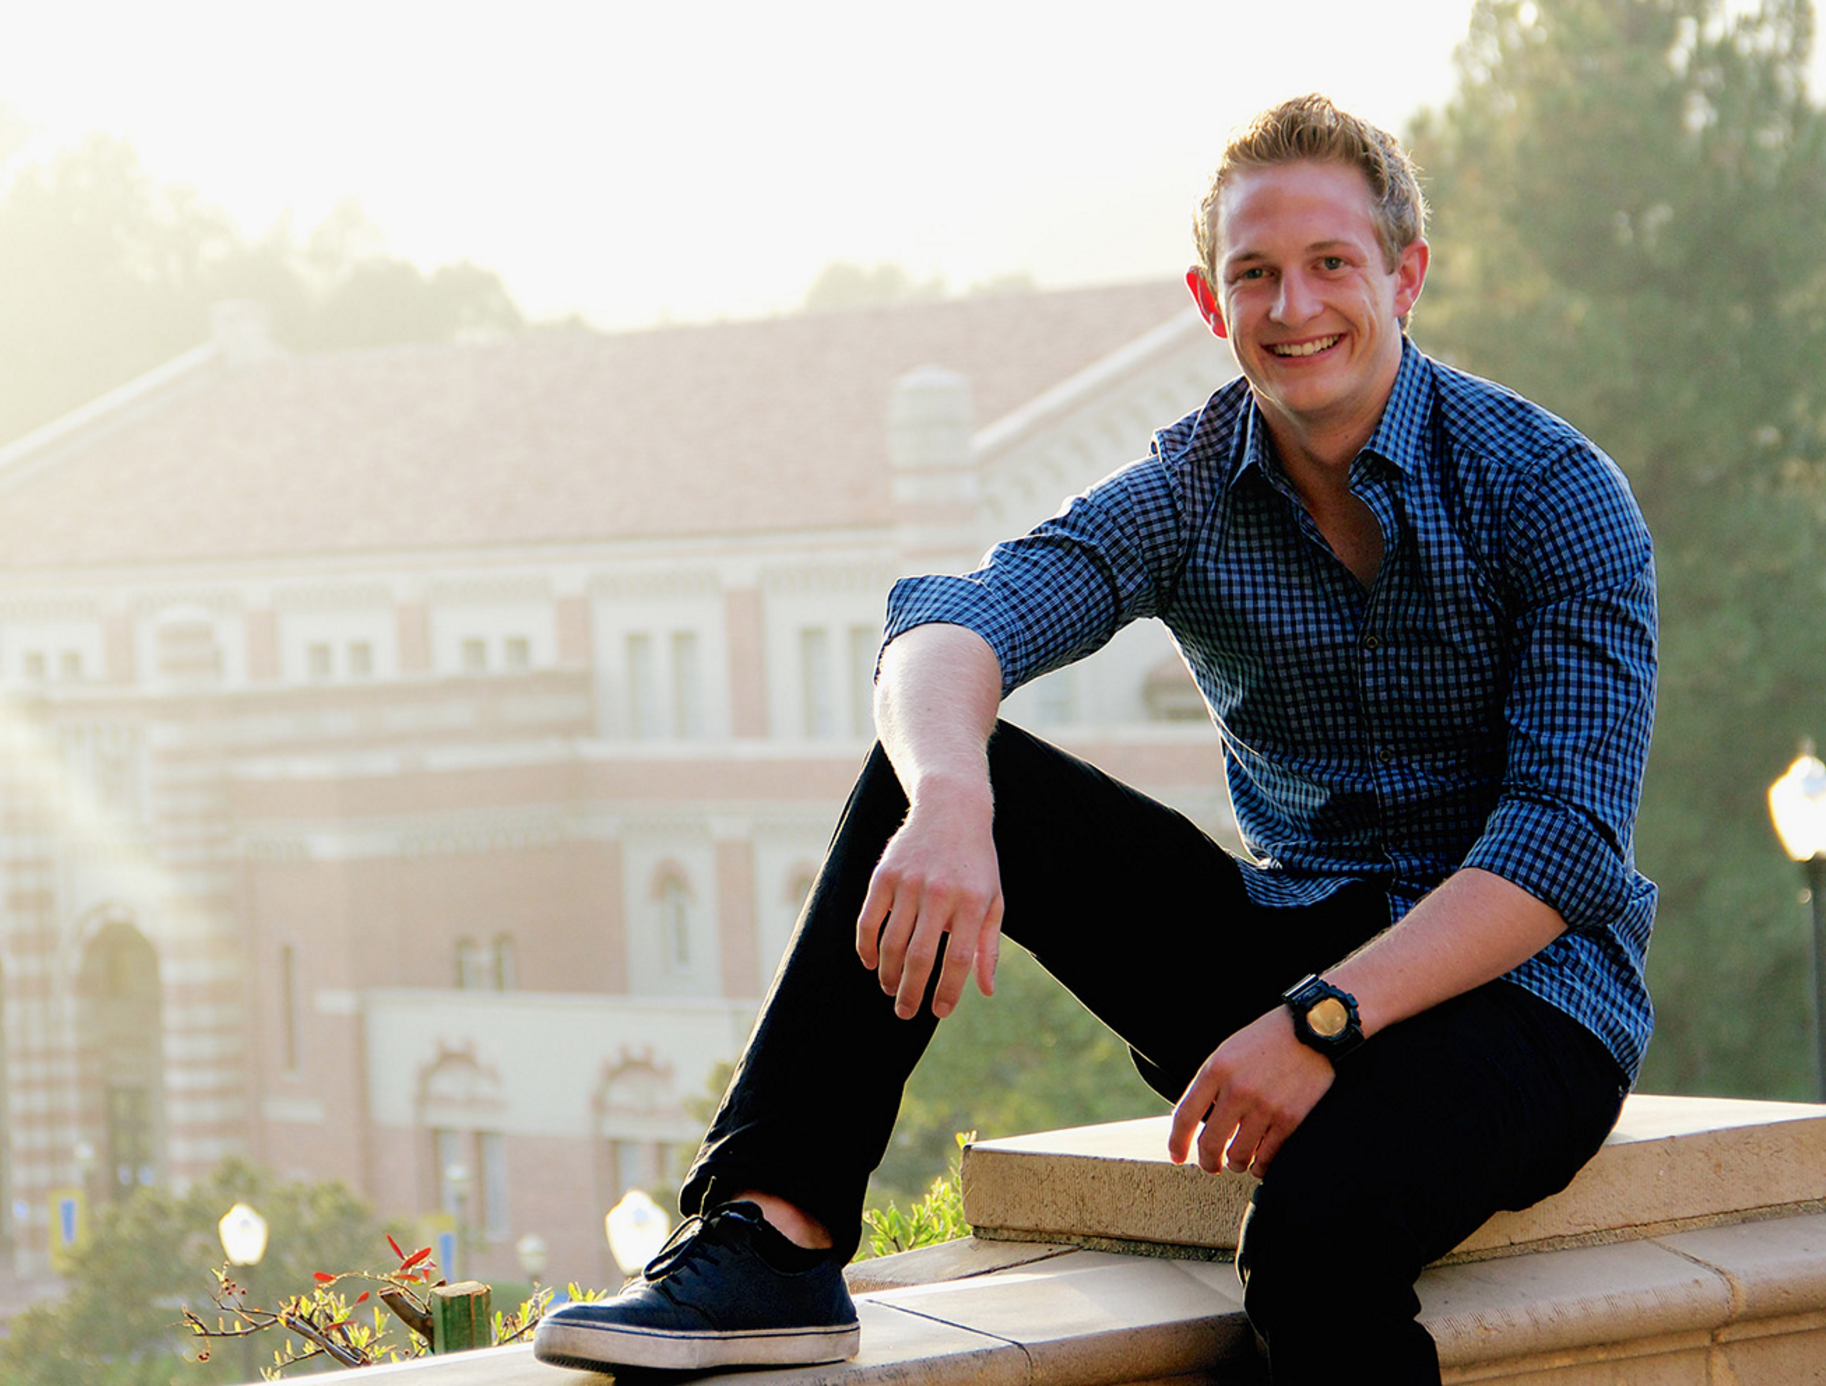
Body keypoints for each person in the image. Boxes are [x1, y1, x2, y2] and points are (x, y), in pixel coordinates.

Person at [534, 93, 1655, 1385]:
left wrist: (1321, 1024)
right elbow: (953, 622)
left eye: (1330, 264)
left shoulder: (1550, 490)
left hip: (1525, 998)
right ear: (1208, 300)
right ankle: (772, 1236)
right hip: (1292, 943)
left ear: (1404, 275)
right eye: (1255, 273)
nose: (1293, 305)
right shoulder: (1191, 488)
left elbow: (1564, 843)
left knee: (1317, 1246)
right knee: (944, 763)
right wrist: (949, 799)